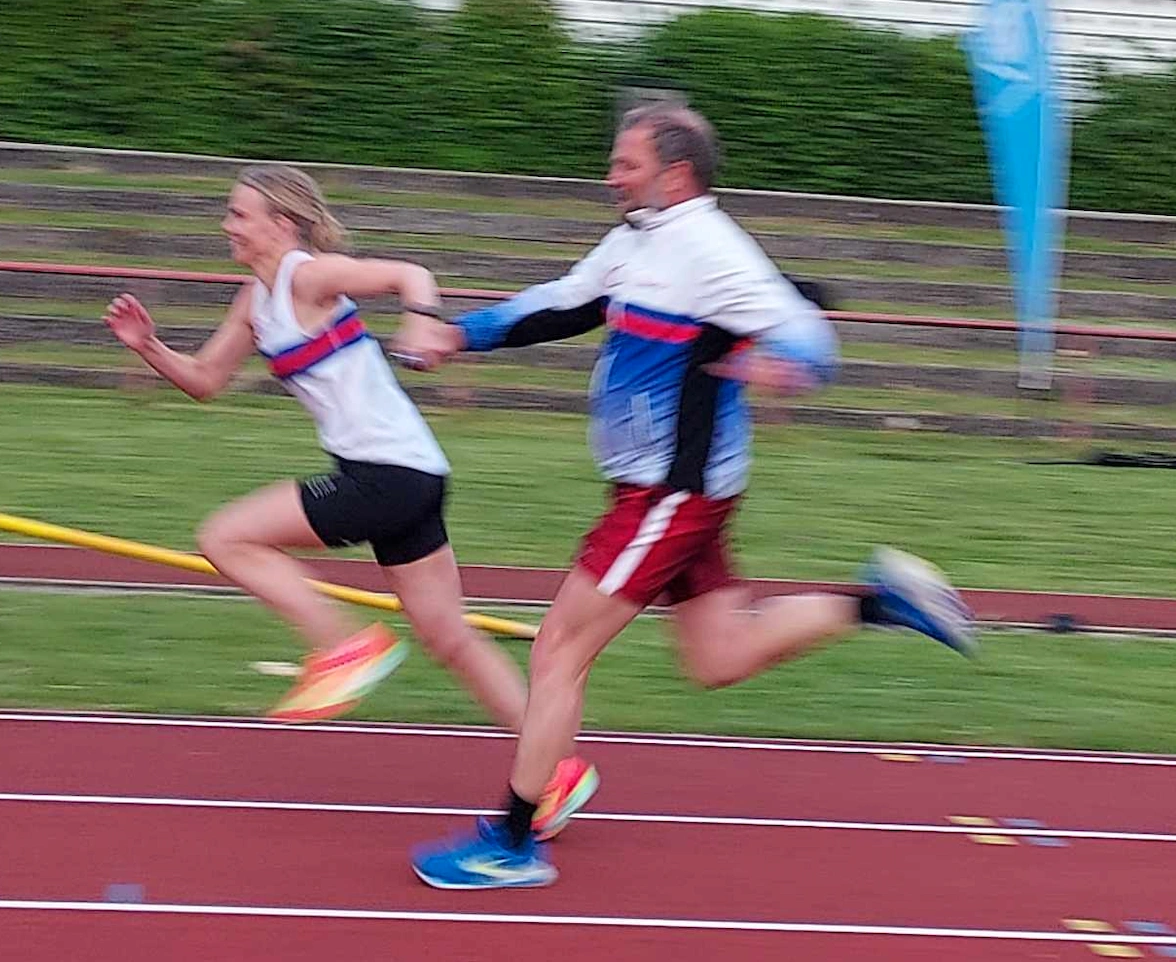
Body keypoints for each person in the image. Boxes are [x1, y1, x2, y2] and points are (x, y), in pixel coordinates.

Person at [402, 104, 975, 889]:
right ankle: (881, 603)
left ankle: (511, 841)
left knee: (559, 649)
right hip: (674, 492)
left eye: (626, 165)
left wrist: (789, 364)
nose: (611, 177)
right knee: (717, 657)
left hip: (669, 495)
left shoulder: (712, 249)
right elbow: (568, 300)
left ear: (674, 175)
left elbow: (808, 332)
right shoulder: (639, 239)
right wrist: (459, 335)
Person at [102, 164, 597, 839]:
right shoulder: (255, 299)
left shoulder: (309, 275)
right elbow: (207, 380)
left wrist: (420, 321)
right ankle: (557, 772)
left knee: (226, 536)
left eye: (239, 214)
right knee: (449, 636)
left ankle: (344, 646)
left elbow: (411, 275)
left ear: (282, 223)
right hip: (412, 473)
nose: (226, 225)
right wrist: (148, 346)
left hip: (386, 476)